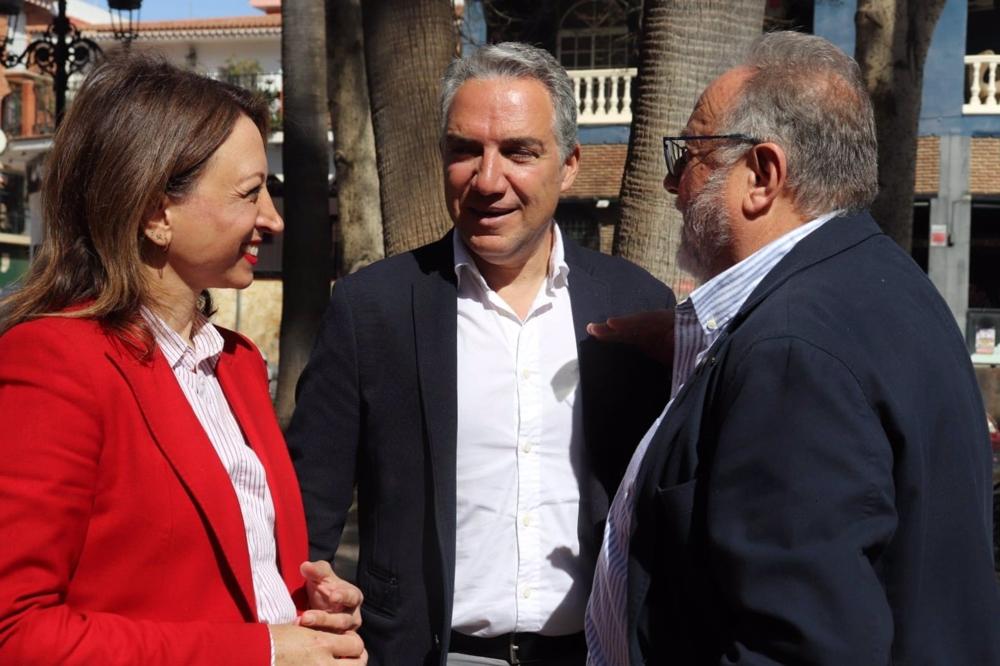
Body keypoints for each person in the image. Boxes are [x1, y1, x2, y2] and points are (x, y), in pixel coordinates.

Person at [585, 31, 1000, 665]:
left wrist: (753, 356)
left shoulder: (790, 351)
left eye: (688, 155)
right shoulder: (879, 284)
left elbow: (796, 643)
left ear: (761, 175)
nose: (672, 183)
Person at [286, 42, 674, 665]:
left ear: (569, 165)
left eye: (519, 152)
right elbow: (306, 510)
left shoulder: (635, 306)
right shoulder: (373, 309)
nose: (488, 181)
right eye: (466, 150)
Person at [0, 54, 367, 665]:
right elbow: (15, 634)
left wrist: (304, 608)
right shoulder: (52, 362)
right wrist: (264, 651)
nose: (273, 219)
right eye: (250, 193)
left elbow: (216, 578)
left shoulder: (237, 364)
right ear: (156, 212)